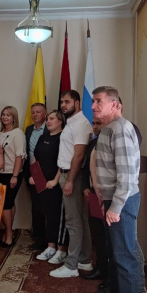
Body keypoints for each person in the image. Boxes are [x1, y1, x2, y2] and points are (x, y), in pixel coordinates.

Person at [92, 86, 143, 293]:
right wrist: (107, 200)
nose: (93, 106)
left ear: (114, 104)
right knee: (115, 257)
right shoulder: (109, 128)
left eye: (98, 101)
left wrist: (116, 206)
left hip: (122, 202)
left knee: (125, 260)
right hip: (113, 200)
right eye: (93, 101)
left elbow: (127, 175)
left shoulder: (121, 129)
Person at [49, 90, 93, 278]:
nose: (63, 105)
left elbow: (79, 155)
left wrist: (70, 181)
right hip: (67, 174)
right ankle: (84, 260)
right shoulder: (71, 122)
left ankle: (71, 265)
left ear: (77, 103)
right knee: (80, 220)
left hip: (73, 176)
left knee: (73, 222)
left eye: (67, 102)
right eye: (62, 102)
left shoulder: (81, 124)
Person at [30, 110, 69, 262]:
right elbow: (36, 158)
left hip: (54, 184)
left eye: (52, 118)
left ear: (60, 121)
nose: (48, 121)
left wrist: (55, 180)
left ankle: (59, 249)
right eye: (47, 119)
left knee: (55, 215)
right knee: (44, 212)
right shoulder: (43, 137)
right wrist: (34, 176)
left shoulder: (63, 138)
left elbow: (63, 161)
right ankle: (50, 246)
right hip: (41, 182)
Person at [82, 117, 108, 282]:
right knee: (97, 232)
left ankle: (109, 272)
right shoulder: (92, 143)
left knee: (108, 235)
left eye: (99, 123)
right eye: (94, 123)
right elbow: (87, 168)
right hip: (93, 192)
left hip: (108, 194)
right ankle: (100, 267)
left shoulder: (111, 142)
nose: (95, 127)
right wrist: (86, 186)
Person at [0, 106, 25, 247]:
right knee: (9, 203)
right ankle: (9, 231)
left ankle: (8, 235)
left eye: (8, 115)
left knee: (5, 204)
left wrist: (15, 175)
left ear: (14, 118)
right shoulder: (0, 133)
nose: (5, 117)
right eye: (3, 114)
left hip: (11, 173)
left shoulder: (17, 133)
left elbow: (19, 156)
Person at [24, 102, 48, 249]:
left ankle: (48, 239)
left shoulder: (50, 129)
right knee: (35, 206)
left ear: (45, 114)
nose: (35, 115)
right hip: (31, 171)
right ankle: (38, 238)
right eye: (33, 112)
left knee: (44, 206)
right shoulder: (28, 130)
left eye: (38, 112)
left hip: (45, 171)